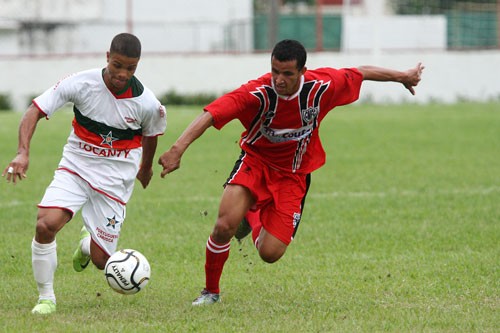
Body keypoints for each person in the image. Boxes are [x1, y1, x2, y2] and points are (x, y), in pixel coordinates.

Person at [158, 39, 424, 306]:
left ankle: (252, 215)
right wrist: (177, 149)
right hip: (255, 163)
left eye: (287, 73)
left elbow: (361, 72)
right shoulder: (257, 93)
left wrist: (403, 76)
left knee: (269, 253)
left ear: (302, 71)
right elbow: (210, 114)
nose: (279, 79)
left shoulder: (321, 87)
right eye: (275, 71)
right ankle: (210, 292)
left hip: (294, 176)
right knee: (224, 226)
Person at [2, 33, 167, 314]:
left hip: (116, 180)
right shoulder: (81, 83)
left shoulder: (147, 103)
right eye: (117, 65)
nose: (122, 74)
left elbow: (151, 136)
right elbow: (34, 111)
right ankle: (46, 298)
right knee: (45, 225)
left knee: (105, 262)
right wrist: (23, 152)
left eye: (130, 68)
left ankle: (87, 243)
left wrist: (146, 167)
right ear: (106, 57)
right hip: (76, 167)